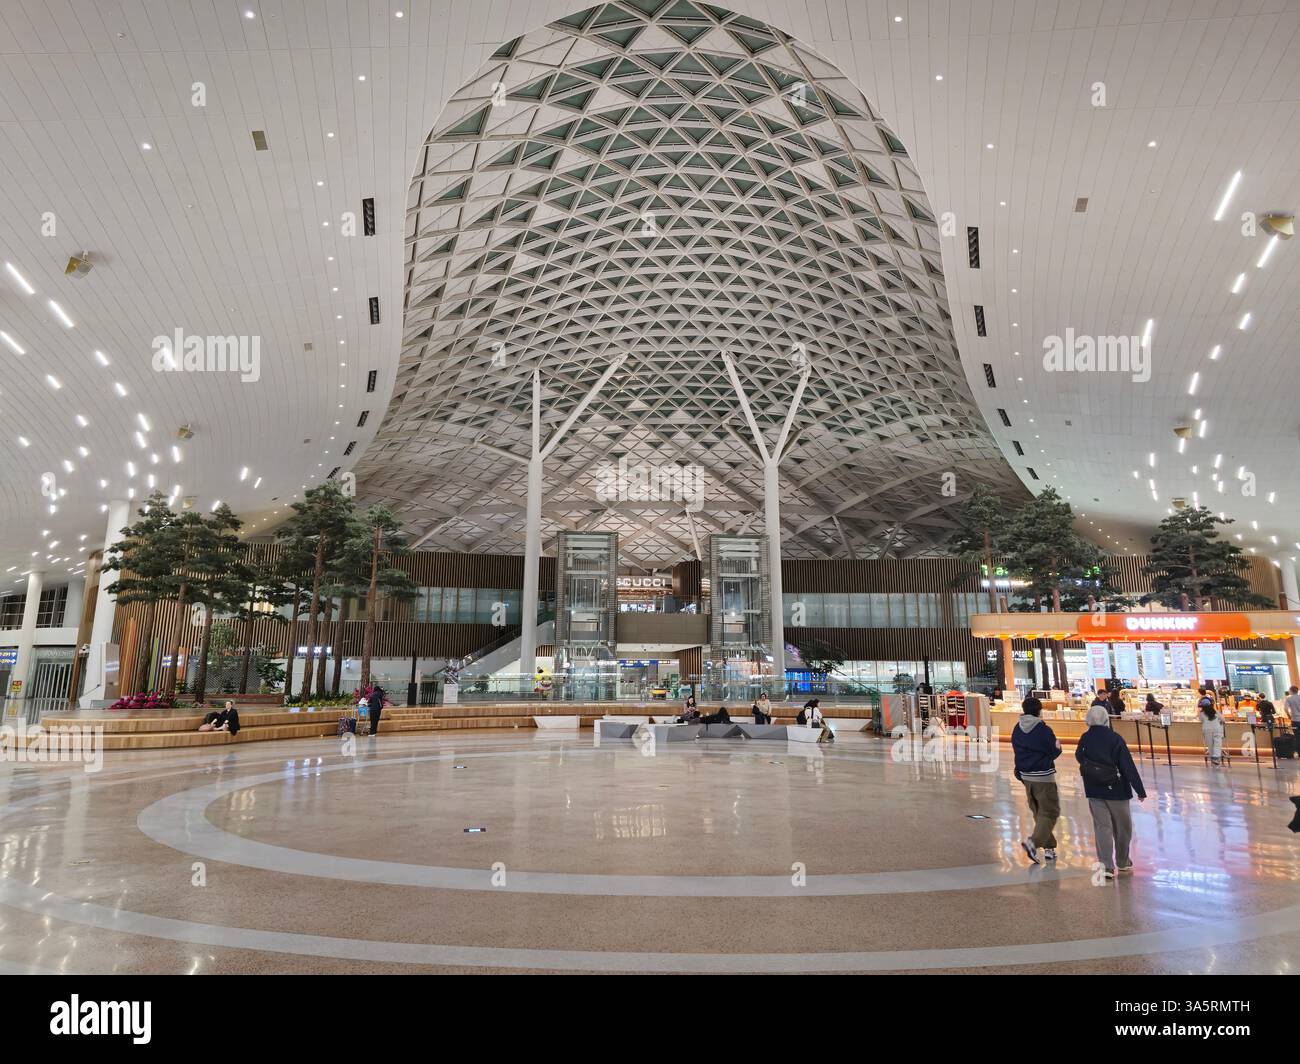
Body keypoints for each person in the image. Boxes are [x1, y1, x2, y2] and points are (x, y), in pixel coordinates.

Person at [1076, 704, 1146, 879]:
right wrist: (1139, 789)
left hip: (1093, 788)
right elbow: (1126, 765)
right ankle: (1122, 861)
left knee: (1102, 827)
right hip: (1117, 788)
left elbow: (1079, 756)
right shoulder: (1115, 738)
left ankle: (1106, 866)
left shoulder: (1085, 737)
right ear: (1106, 718)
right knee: (1122, 827)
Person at [1011, 696, 1062, 864]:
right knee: (1050, 812)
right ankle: (1033, 843)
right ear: (1039, 710)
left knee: (1040, 812)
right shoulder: (1042, 730)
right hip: (1043, 776)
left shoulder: (1017, 729)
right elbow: (1053, 751)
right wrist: (1057, 747)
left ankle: (1049, 848)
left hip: (1026, 776)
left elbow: (1017, 751)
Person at [1200, 701, 1226, 765]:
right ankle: (1216, 757)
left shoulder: (1202, 714)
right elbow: (1223, 719)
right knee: (1217, 743)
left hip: (1207, 730)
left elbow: (1201, 720)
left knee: (1210, 745)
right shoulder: (1216, 712)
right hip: (1217, 729)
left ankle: (1213, 760)